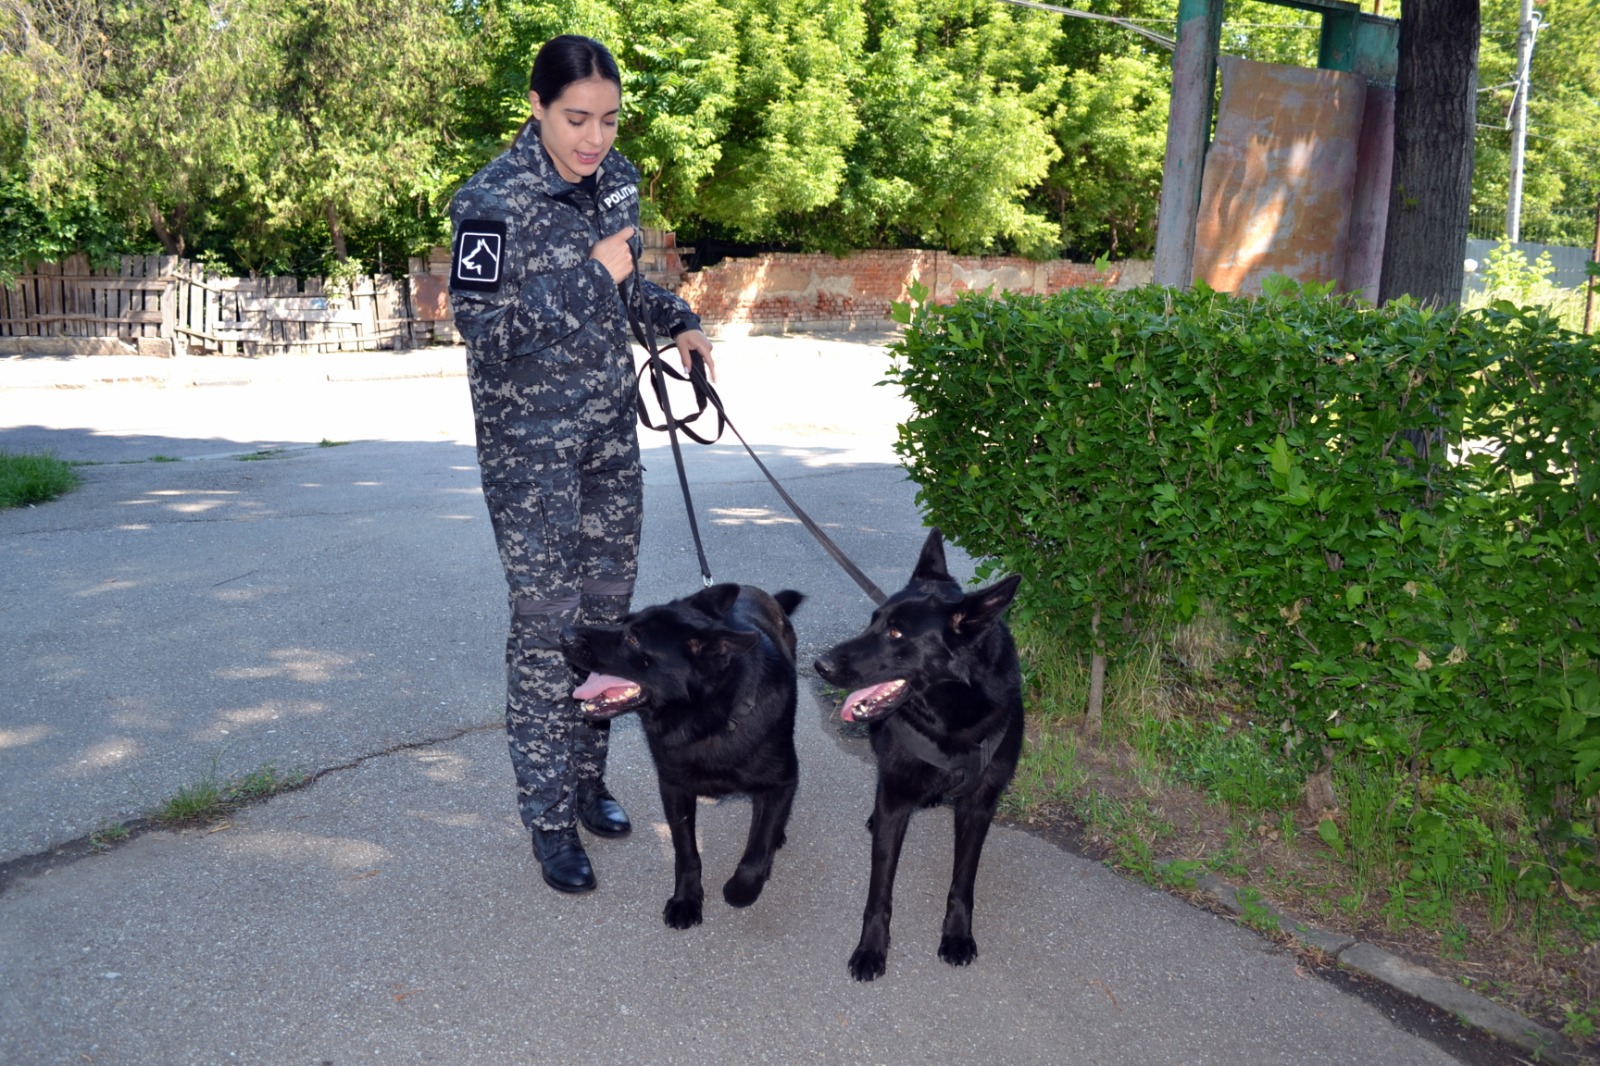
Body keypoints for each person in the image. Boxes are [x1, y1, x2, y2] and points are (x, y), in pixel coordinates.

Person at [447, 34, 714, 895]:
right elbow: (483, 330)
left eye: (608, 118)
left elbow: (629, 286)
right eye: (575, 118)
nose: (594, 137)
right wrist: (591, 278)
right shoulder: (489, 201)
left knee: (608, 625)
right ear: (536, 106)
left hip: (607, 441)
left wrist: (676, 321)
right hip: (529, 456)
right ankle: (549, 819)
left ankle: (589, 781)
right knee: (545, 633)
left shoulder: (617, 181)